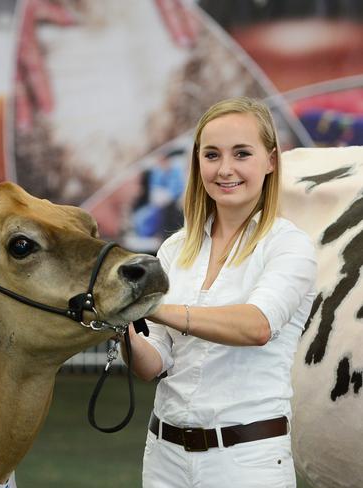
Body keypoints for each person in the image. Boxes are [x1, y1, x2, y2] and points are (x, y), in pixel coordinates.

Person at [124, 97, 317, 487]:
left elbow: (256, 326)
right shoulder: (174, 249)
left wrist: (153, 307)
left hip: (247, 461)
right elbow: (152, 364)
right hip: (164, 458)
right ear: (197, 162)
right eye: (212, 155)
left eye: (241, 153)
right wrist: (120, 321)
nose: (225, 169)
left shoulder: (290, 246)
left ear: (271, 161)